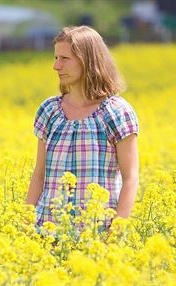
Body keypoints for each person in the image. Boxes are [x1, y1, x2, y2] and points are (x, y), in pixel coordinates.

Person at [26, 26, 139, 233]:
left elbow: (130, 178)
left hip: (96, 233)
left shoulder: (116, 112)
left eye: (64, 58)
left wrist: (115, 234)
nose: (56, 66)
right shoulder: (49, 111)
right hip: (46, 233)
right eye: (55, 57)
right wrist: (24, 225)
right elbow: (39, 176)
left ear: (88, 61)